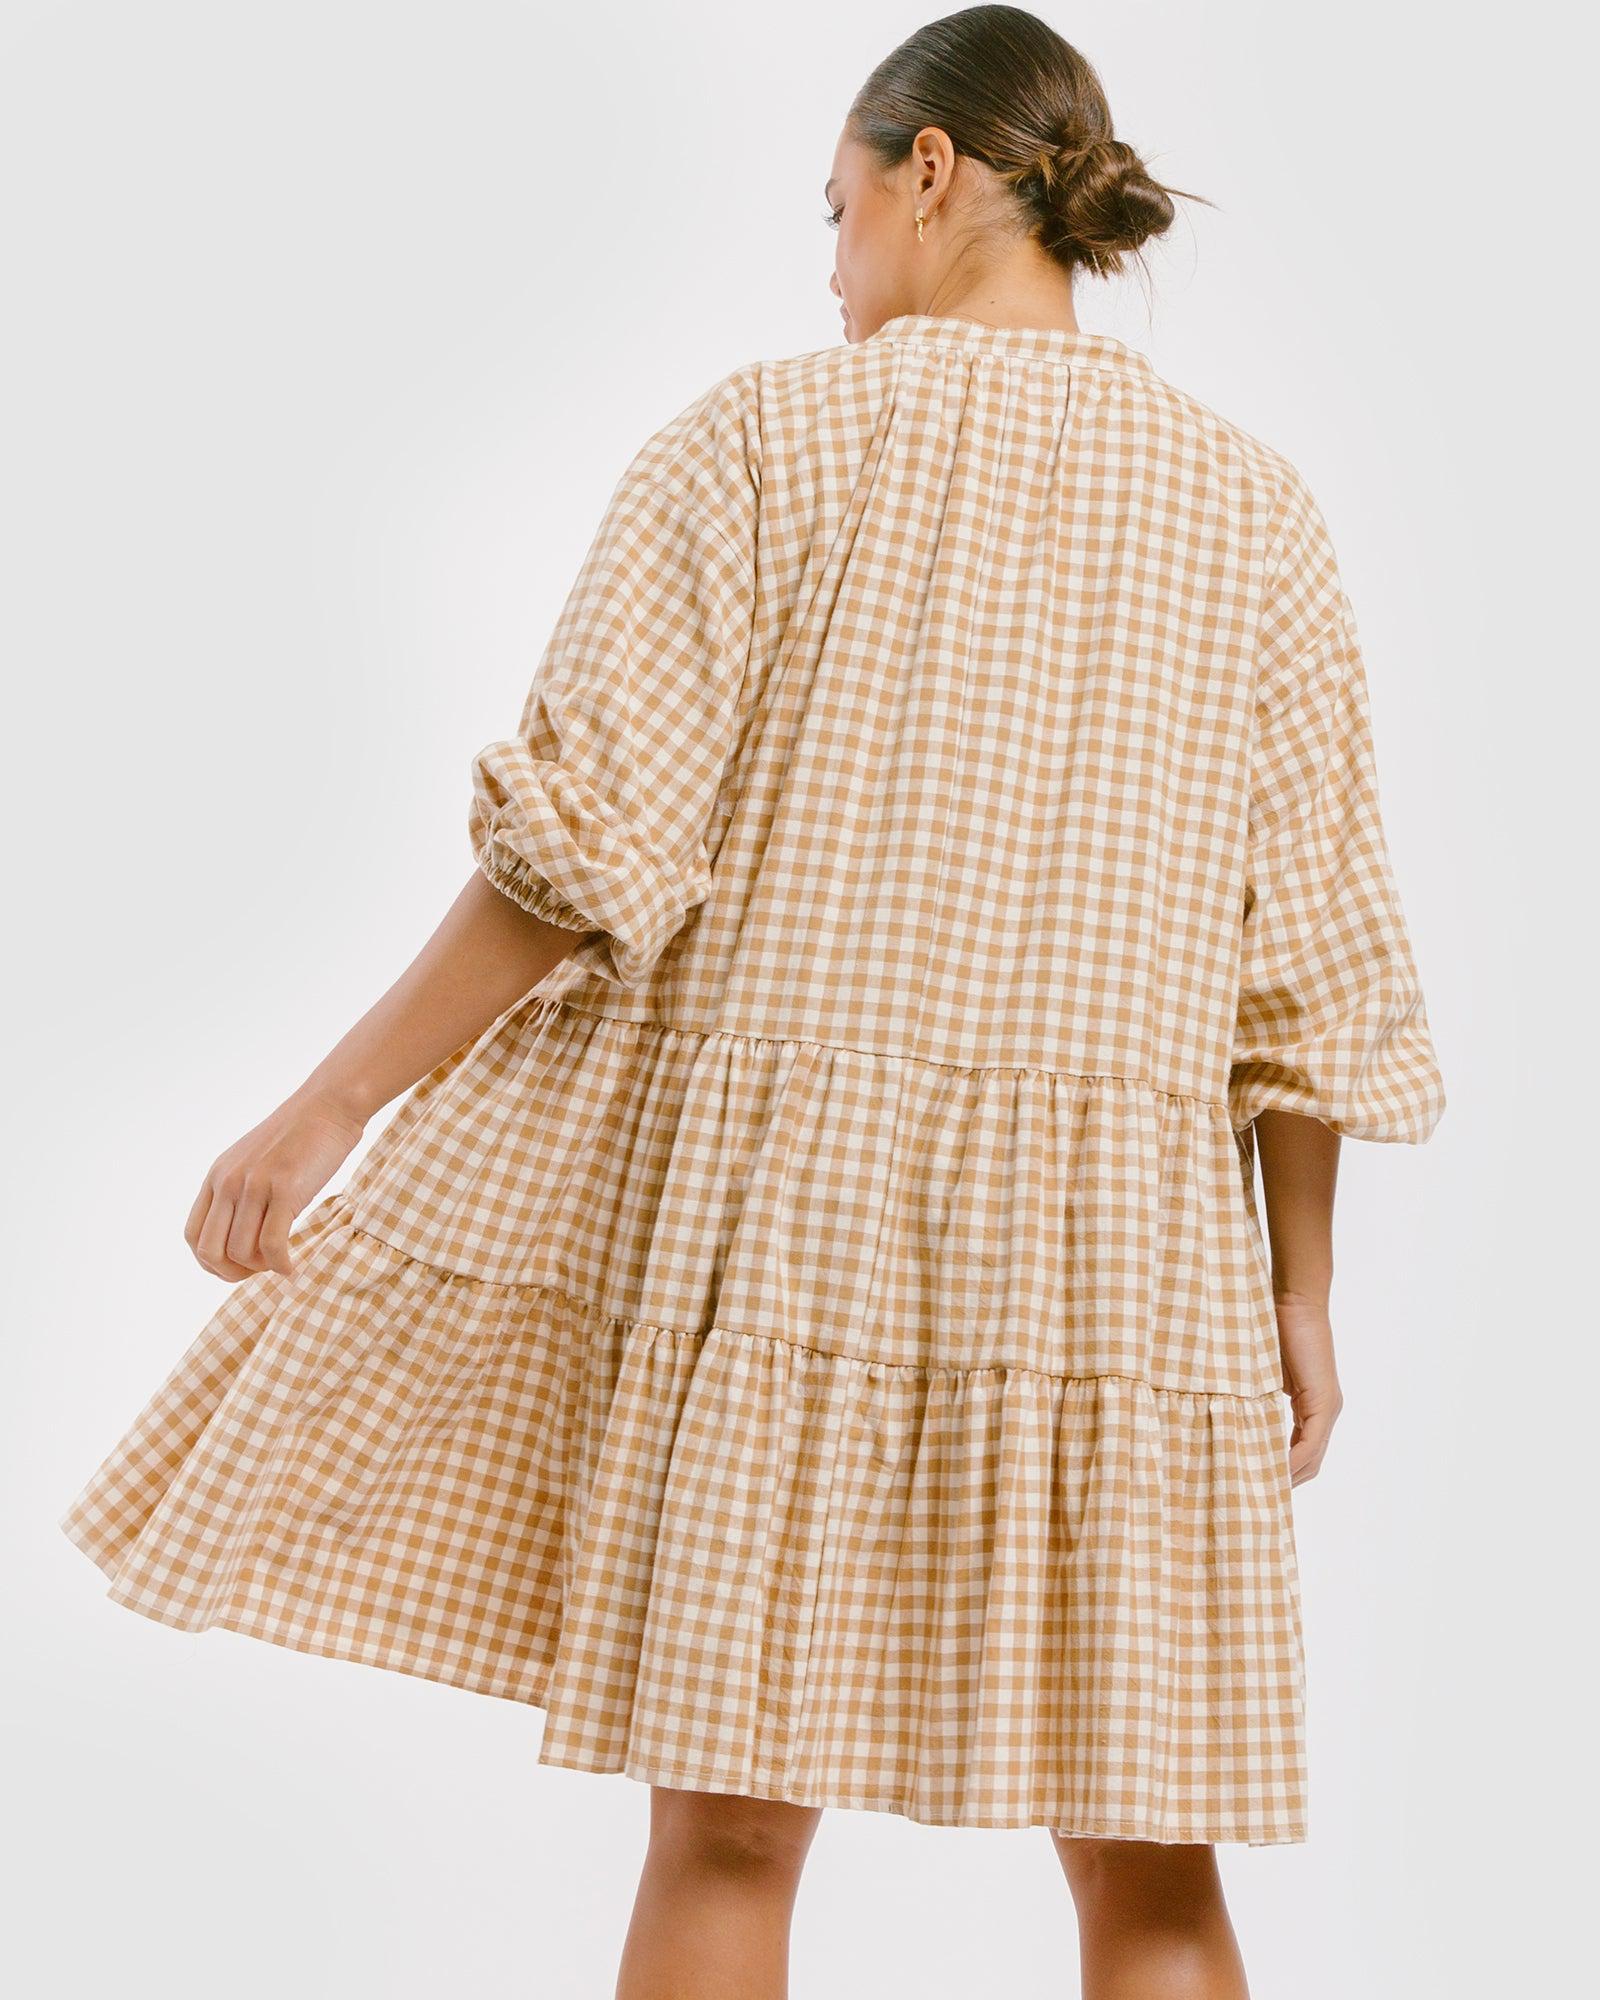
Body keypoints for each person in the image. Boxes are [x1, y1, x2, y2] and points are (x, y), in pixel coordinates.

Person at [58, 8, 1447, 1997]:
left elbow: (580, 852)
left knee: (725, 1831)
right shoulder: (1257, 509)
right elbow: (1307, 951)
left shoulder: (767, 438)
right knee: (1150, 1869)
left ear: (928, 172)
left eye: (834, 210)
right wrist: (1298, 1288)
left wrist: (330, 1104)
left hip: (796, 1225)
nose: (830, 266)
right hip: (1126, 1257)